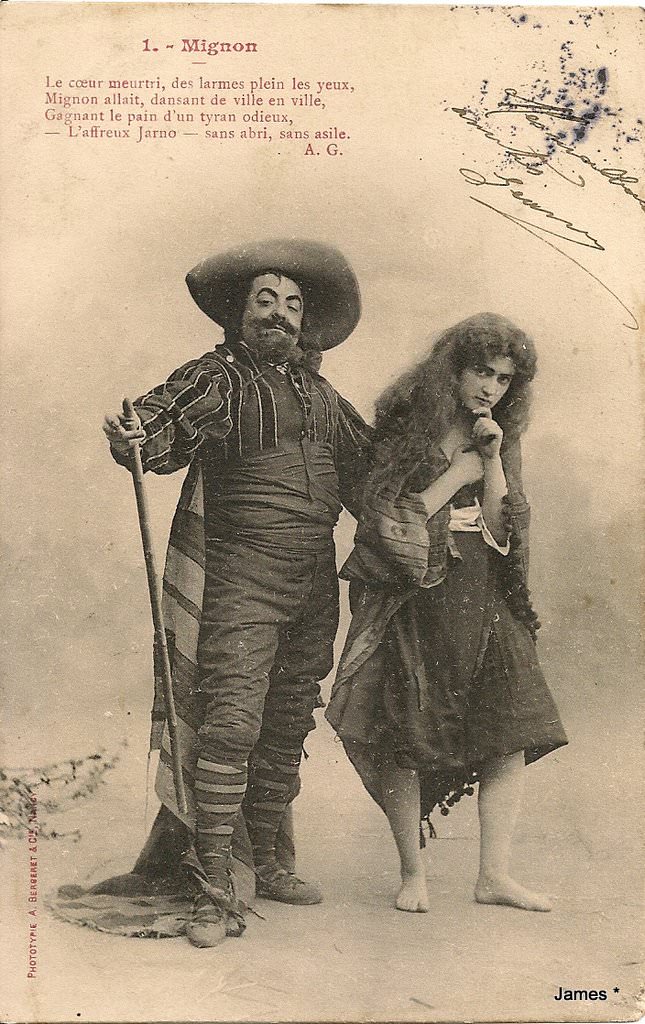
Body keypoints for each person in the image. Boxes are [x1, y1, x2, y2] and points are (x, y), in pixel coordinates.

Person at [102, 239, 371, 947]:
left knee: (288, 720)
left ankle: (269, 863)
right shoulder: (217, 378)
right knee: (231, 722)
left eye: (293, 304)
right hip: (240, 581)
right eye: (264, 299)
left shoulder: (324, 397)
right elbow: (156, 426)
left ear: (305, 323)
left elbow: (376, 474)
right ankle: (212, 883)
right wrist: (133, 434)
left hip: (314, 583)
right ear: (238, 314)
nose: (279, 314)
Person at [326, 312, 567, 915]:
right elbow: (381, 521)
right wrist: (458, 469)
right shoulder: (406, 426)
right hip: (416, 598)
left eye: (504, 379)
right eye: (481, 371)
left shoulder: (498, 434)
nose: (491, 388)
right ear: (452, 370)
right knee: (402, 735)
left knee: (509, 732)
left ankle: (494, 876)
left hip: (481, 594)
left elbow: (501, 531)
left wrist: (492, 461)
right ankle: (413, 874)